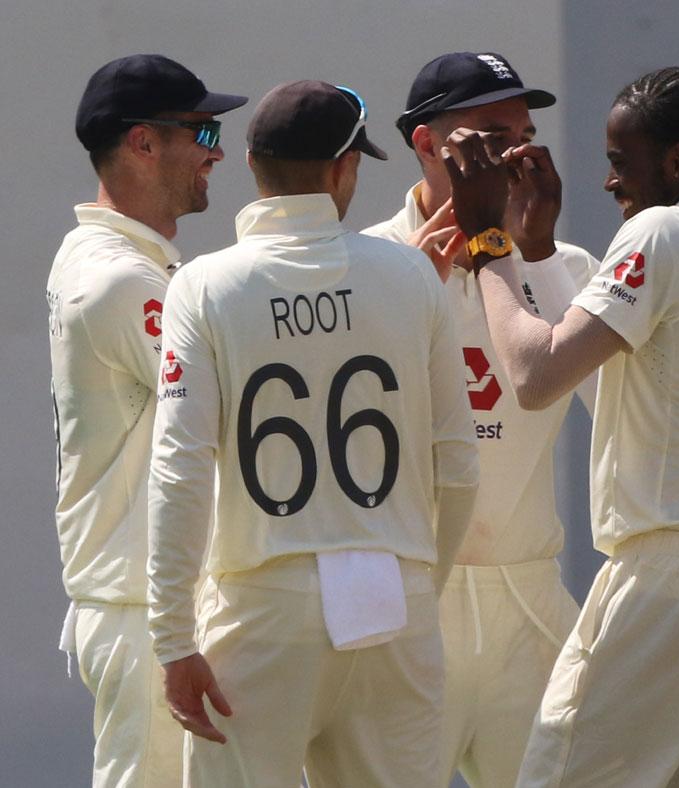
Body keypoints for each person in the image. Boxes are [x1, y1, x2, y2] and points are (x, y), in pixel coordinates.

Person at [145, 80, 479, 786]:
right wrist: (420, 580)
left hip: (262, 607)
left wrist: (173, 639)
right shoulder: (413, 277)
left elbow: (180, 468)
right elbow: (458, 464)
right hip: (394, 597)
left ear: (250, 164)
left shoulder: (205, 287)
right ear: (341, 169)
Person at [442, 66, 679, 787]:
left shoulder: (661, 229)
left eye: (622, 163)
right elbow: (606, 377)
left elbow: (537, 375)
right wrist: (542, 253)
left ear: (678, 162)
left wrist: (491, 245)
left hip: (660, 584)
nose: (610, 184)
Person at [362, 51, 597, 788]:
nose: (516, 154)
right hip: (406, 598)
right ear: (426, 144)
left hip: (527, 594)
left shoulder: (564, 266)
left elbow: (623, 410)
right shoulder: (366, 263)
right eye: (490, 137)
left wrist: (525, 248)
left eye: (525, 134)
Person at [47, 53, 245, 787]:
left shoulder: (121, 260)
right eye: (202, 129)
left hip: (149, 605)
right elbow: (236, 406)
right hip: (144, 615)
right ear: (143, 142)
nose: (217, 150)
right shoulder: (119, 278)